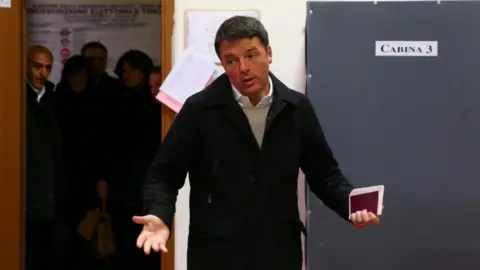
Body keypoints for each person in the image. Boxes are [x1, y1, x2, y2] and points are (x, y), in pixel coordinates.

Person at [133, 16, 383, 270]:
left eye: (251, 55)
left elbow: (325, 175)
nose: (243, 67)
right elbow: (163, 175)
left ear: (269, 53)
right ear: (223, 64)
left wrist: (352, 205)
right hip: (217, 252)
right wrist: (159, 214)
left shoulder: (296, 108)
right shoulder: (200, 110)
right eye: (231, 60)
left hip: (277, 249)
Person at [108, 50, 162, 270]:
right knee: (122, 239)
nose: (125, 76)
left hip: (146, 179)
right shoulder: (116, 98)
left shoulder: (154, 104)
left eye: (128, 71)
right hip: (120, 180)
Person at [25, 45, 68, 270]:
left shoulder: (52, 98)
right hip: (28, 192)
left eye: (48, 67)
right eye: (37, 66)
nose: (42, 72)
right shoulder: (18, 98)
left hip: (51, 192)